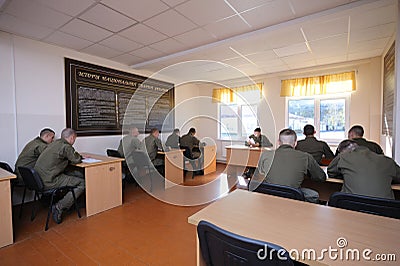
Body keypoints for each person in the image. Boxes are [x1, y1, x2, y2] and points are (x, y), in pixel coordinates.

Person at [255, 128, 326, 203]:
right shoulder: (305, 157)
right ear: (295, 143)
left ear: (278, 142)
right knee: (314, 195)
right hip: (291, 195)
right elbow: (321, 177)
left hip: (270, 193)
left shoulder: (265, 155)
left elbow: (258, 176)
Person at [34, 128, 85, 224]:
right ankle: (60, 206)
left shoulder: (54, 143)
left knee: (79, 174)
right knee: (82, 182)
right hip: (50, 180)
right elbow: (76, 159)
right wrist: (78, 156)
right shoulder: (66, 147)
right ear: (72, 137)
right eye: (74, 139)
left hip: (39, 179)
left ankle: (73, 200)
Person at [328, 140, 400, 199]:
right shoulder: (388, 161)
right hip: (385, 209)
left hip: (352, 205)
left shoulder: (344, 156)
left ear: (343, 151)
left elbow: (331, 172)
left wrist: (345, 174)